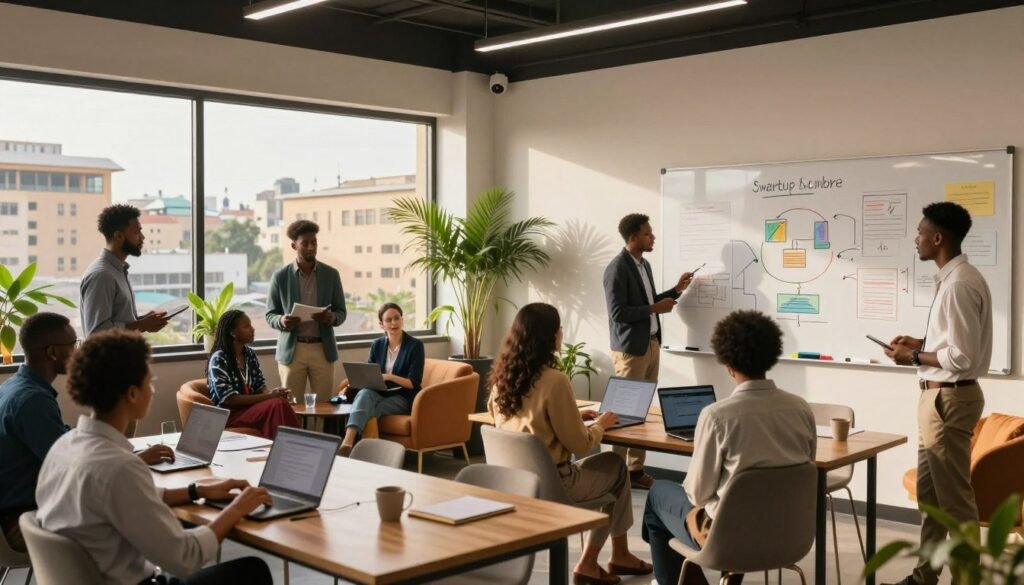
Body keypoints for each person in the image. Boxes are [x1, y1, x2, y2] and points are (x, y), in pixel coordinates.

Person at [35, 330, 274, 585]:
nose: (152, 389)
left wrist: (197, 490)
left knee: (185, 526)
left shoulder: (63, 447)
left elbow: (133, 496)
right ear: (132, 394)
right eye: (149, 382)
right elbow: (186, 558)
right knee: (252, 570)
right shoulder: (119, 467)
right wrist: (237, 508)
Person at [642, 310, 816, 585]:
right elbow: (801, 470)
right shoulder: (801, 409)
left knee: (657, 496)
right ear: (771, 356)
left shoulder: (717, 416)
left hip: (729, 538)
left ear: (727, 363)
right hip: (789, 535)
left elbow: (698, 493)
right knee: (738, 503)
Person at [489, 302, 652, 585]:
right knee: (616, 466)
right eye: (559, 329)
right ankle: (599, 560)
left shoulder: (502, 381)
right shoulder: (555, 380)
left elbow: (526, 422)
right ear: (550, 336)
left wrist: (574, 415)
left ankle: (619, 555)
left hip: (515, 484)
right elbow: (580, 444)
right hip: (555, 485)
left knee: (608, 470)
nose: (561, 333)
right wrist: (600, 425)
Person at [882, 202, 991, 585]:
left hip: (948, 400)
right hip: (938, 398)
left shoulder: (959, 284)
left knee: (954, 501)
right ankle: (924, 576)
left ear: (938, 238)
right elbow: (953, 344)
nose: (916, 239)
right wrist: (921, 343)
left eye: (920, 232)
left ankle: (967, 579)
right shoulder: (953, 279)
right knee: (930, 497)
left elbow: (962, 356)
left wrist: (912, 356)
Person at [0, 313, 172, 553]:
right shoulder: (32, 401)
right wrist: (135, 459)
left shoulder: (14, 386)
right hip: (22, 521)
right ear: (52, 352)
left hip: (21, 510)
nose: (78, 351)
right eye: (74, 344)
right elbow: (72, 469)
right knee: (139, 513)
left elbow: (64, 443)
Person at [603, 213, 694, 489]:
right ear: (633, 238)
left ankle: (635, 471)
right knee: (622, 413)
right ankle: (614, 475)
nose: (653, 237)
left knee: (639, 411)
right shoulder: (617, 268)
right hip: (631, 349)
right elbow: (618, 313)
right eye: (647, 234)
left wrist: (676, 290)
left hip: (651, 343)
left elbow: (648, 301)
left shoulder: (644, 265)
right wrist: (655, 308)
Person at [266, 219, 347, 400]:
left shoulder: (331, 275)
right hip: (292, 350)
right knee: (291, 405)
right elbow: (270, 314)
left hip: (322, 349)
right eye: (305, 243)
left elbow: (341, 312)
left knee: (323, 405)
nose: (311, 247)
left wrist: (331, 318)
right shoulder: (280, 277)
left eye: (314, 242)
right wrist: (282, 320)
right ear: (294, 245)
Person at [336, 303, 424, 456]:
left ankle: (357, 450)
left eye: (397, 318)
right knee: (364, 393)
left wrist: (389, 376)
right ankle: (349, 443)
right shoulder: (377, 345)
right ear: (381, 324)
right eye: (388, 320)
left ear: (402, 319)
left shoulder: (415, 346)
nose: (394, 322)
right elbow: (370, 372)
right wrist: (357, 380)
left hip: (403, 396)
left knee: (368, 410)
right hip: (380, 392)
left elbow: (413, 383)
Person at [207, 309, 301, 439]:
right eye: (247, 326)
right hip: (229, 414)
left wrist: (273, 393)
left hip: (251, 409)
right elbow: (230, 399)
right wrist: (269, 396)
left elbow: (260, 385)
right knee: (277, 404)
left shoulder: (249, 354)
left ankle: (285, 445)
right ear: (232, 333)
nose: (252, 329)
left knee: (279, 402)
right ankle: (291, 445)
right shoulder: (219, 358)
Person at [80, 204, 170, 336]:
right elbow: (97, 333)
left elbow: (120, 321)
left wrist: (143, 321)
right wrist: (142, 325)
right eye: (136, 232)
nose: (142, 237)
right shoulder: (102, 275)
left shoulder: (117, 270)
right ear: (119, 236)